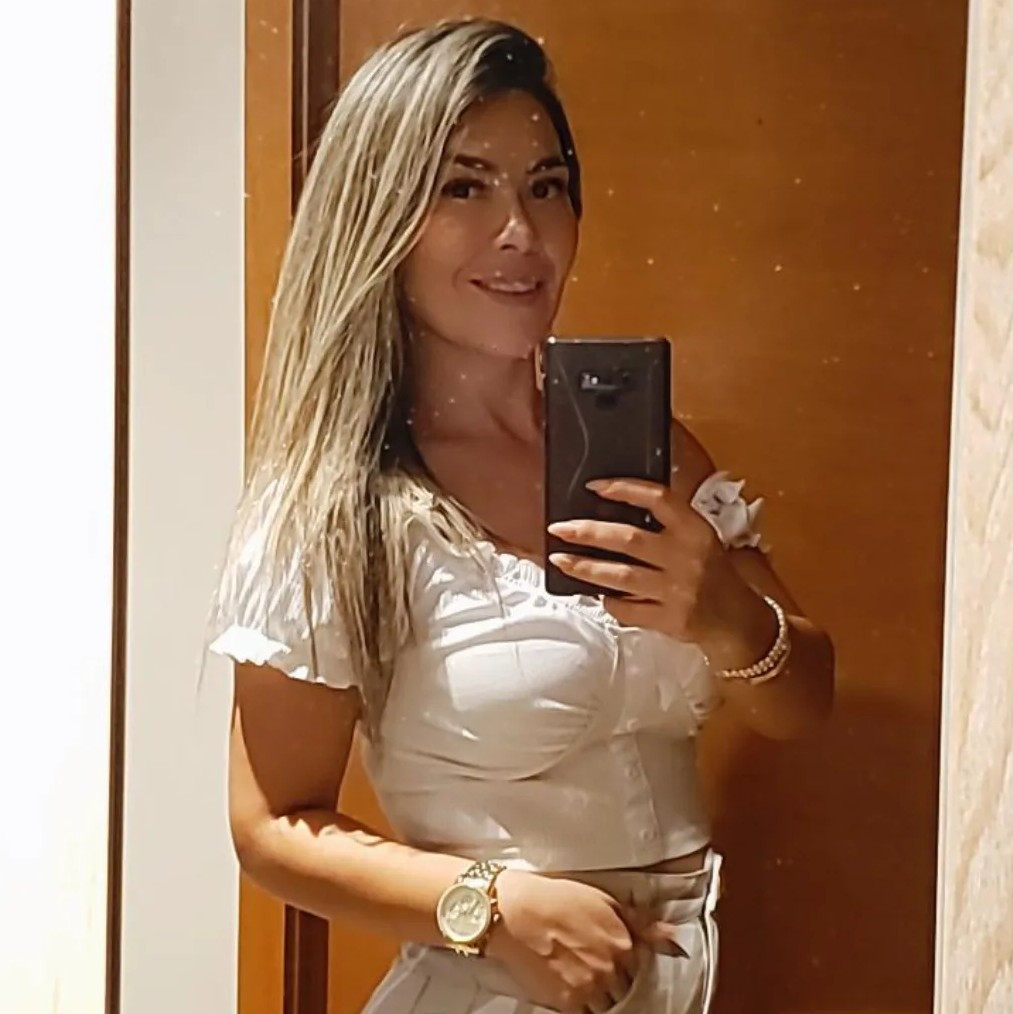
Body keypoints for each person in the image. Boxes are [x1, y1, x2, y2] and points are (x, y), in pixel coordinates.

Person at [207, 18, 834, 1014]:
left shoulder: (644, 449)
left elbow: (801, 703)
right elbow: (270, 828)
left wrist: (725, 615)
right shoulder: (336, 507)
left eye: (545, 185)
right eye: (464, 188)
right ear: (380, 216)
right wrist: (490, 907)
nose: (520, 232)